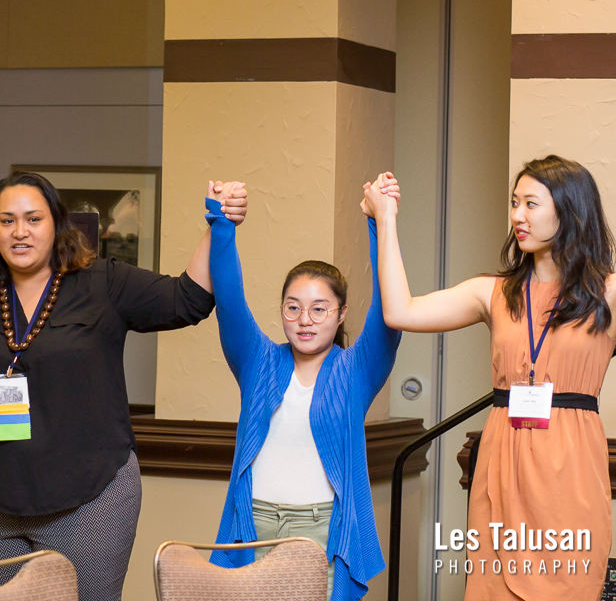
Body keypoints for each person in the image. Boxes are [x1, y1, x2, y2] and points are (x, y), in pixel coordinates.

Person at [0, 137, 244, 601]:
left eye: (33, 219)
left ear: (57, 225)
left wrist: (218, 223)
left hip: (90, 502)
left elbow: (188, 300)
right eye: (7, 220)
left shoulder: (104, 283)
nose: (20, 232)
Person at [366, 155, 615, 601]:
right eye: (515, 202)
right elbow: (400, 311)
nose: (518, 215)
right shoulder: (493, 291)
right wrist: (386, 220)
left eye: (531, 204)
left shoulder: (608, 293)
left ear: (569, 210)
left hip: (572, 473)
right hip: (502, 466)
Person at [207, 175, 402, 600]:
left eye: (319, 309)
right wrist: (222, 223)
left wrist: (379, 222)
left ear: (341, 314)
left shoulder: (355, 371)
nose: (304, 320)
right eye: (293, 308)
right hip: (254, 525)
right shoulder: (258, 361)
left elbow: (389, 312)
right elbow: (229, 301)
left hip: (321, 529)